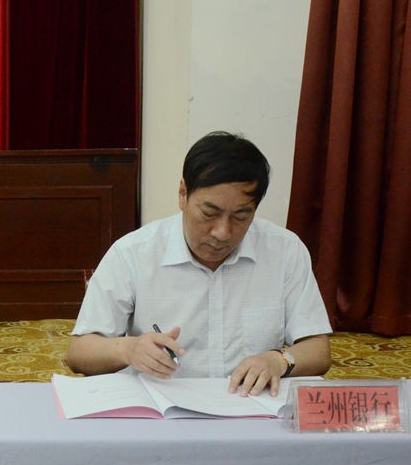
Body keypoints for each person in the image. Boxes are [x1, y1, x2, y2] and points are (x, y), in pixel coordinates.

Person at [66, 131, 332, 397]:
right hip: (160, 406)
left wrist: (279, 360)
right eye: (209, 213)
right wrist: (129, 349)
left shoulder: (284, 251)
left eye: (240, 216)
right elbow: (79, 352)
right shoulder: (133, 253)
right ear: (183, 194)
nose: (223, 232)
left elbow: (318, 349)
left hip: (250, 406)